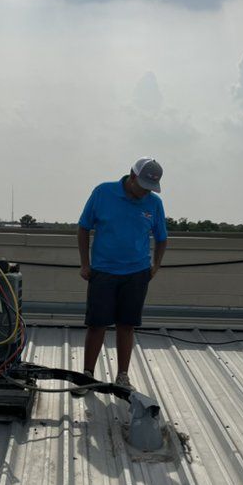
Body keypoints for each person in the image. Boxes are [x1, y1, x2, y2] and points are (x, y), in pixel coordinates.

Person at [77, 157, 167, 391]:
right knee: (97, 325)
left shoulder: (154, 203)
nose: (144, 193)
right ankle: (87, 375)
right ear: (132, 176)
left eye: (150, 189)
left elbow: (162, 237)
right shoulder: (103, 192)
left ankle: (122, 376)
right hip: (103, 272)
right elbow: (84, 227)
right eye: (142, 187)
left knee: (126, 325)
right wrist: (85, 264)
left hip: (136, 274)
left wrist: (155, 266)